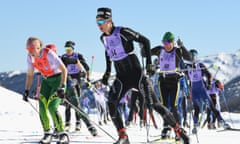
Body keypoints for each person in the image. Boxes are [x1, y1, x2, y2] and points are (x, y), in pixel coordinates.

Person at [96, 8, 189, 144]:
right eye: (97, 21)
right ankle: (123, 136)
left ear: (109, 21)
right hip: (122, 77)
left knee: (154, 104)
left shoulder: (123, 32)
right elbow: (108, 52)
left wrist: (150, 64)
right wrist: (107, 71)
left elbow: (145, 41)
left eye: (101, 21)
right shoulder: (103, 38)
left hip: (137, 75)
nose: (99, 24)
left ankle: (178, 131)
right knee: (111, 103)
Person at [23, 37, 69, 144]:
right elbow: (30, 74)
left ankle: (62, 134)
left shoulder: (49, 54)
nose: (30, 52)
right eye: (27, 49)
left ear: (39, 48)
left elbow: (64, 70)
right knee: (42, 107)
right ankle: (47, 133)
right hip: (46, 81)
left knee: (52, 106)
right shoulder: (30, 57)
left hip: (58, 79)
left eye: (31, 49)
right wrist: (26, 90)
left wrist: (63, 86)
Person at [150, 32, 192, 138]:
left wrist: (182, 46)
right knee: (163, 106)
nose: (166, 45)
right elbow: (145, 53)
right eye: (164, 42)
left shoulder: (177, 51)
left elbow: (189, 58)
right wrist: (143, 48)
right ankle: (166, 128)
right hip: (163, 81)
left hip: (174, 81)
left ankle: (178, 130)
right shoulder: (160, 50)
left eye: (168, 42)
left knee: (174, 107)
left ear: (173, 42)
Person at [187, 49, 229, 134]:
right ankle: (195, 125)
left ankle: (221, 121)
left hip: (202, 90)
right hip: (194, 91)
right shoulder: (186, 67)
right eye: (191, 56)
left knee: (212, 107)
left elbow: (209, 74)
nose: (192, 58)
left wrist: (209, 83)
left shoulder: (200, 65)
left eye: (194, 56)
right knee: (196, 109)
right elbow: (184, 76)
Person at [61, 42, 97, 135]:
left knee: (76, 102)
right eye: (66, 49)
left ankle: (78, 122)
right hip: (68, 79)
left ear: (73, 49)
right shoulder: (63, 57)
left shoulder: (78, 56)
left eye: (69, 49)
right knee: (68, 103)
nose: (68, 51)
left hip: (77, 79)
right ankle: (67, 123)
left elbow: (87, 68)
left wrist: (87, 78)